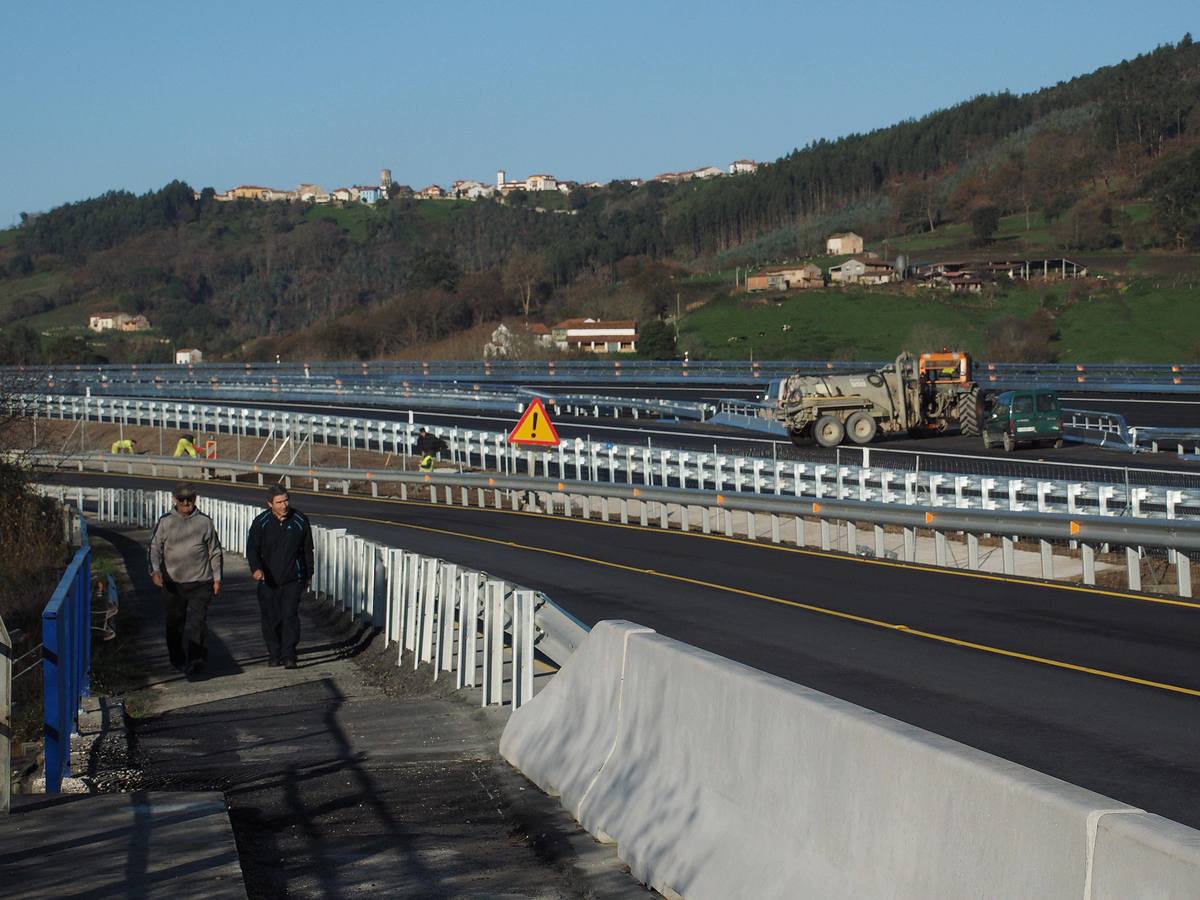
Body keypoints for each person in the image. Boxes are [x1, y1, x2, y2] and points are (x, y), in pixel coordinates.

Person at [148, 483, 223, 673]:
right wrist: (155, 571)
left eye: (190, 499)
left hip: (200, 581)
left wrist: (217, 578)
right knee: (175, 622)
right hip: (173, 582)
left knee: (198, 621)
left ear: (195, 500)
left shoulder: (205, 522)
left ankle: (197, 659)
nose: (186, 503)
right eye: (182, 500)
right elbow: (154, 548)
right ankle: (177, 658)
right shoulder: (165, 522)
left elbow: (214, 551)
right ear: (175, 500)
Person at [246, 484, 314, 670]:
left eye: (286, 500)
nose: (284, 505)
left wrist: (309, 574)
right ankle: (274, 654)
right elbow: (252, 549)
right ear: (270, 504)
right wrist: (256, 569)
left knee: (289, 616)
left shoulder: (300, 520)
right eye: (279, 502)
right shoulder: (261, 522)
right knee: (271, 618)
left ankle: (289, 654)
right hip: (268, 580)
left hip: (293, 578)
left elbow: (307, 550)